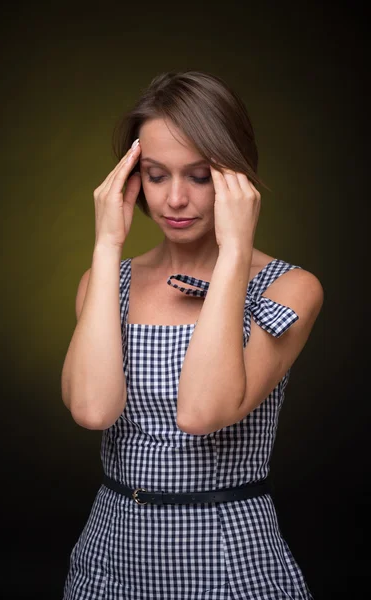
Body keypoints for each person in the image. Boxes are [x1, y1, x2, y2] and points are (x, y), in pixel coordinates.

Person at [61, 70, 323, 599]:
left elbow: (202, 413)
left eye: (200, 176)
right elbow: (93, 409)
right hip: (112, 553)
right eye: (156, 175)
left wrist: (233, 254)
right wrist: (107, 245)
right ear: (133, 179)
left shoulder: (288, 288)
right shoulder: (107, 280)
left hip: (226, 555)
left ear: (237, 179)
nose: (175, 199)